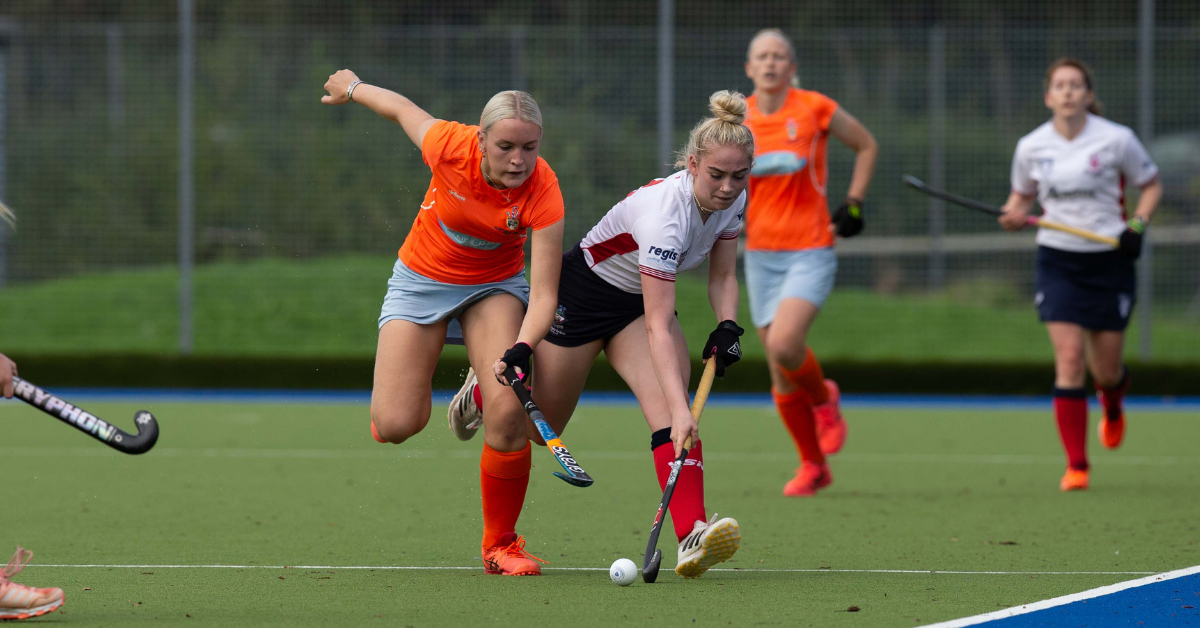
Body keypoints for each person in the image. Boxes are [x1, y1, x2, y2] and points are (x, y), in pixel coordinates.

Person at [451, 90, 751, 579]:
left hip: (636, 306)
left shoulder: (733, 201)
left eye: (739, 176)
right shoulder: (663, 218)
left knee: (670, 413)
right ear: (693, 164)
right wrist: (682, 409)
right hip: (584, 297)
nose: (727, 187)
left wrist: (727, 324)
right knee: (536, 430)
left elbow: (722, 276)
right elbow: (659, 324)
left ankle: (691, 534)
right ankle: (485, 389)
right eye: (716, 175)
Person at [321, 71, 565, 574]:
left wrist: (522, 346)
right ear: (482, 139)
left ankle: (500, 547)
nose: (518, 160)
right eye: (505, 147)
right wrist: (353, 87)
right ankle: (463, 388)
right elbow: (402, 109)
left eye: (529, 147)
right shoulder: (450, 146)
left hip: (494, 287)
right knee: (396, 425)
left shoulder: (544, 189)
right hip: (421, 280)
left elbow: (543, 295)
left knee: (507, 415)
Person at [999, 58, 1162, 492]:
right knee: (1069, 360)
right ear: (1048, 96)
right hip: (1058, 260)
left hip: (1109, 258)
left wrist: (1137, 227)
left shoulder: (1116, 139)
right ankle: (1077, 465)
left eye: (1076, 85)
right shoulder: (1031, 146)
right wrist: (1014, 213)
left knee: (1106, 370)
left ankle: (1112, 402)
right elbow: (1022, 196)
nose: (1068, 92)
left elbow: (1151, 185)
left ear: (1088, 95)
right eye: (1060, 85)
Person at [741, 29, 878, 496]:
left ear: (792, 66)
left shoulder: (814, 107)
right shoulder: (739, 118)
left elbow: (867, 145)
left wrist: (854, 202)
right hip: (760, 254)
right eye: (762, 56)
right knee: (780, 372)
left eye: (779, 56)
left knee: (785, 344)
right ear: (749, 68)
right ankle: (813, 465)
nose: (771, 63)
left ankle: (824, 399)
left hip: (810, 248)